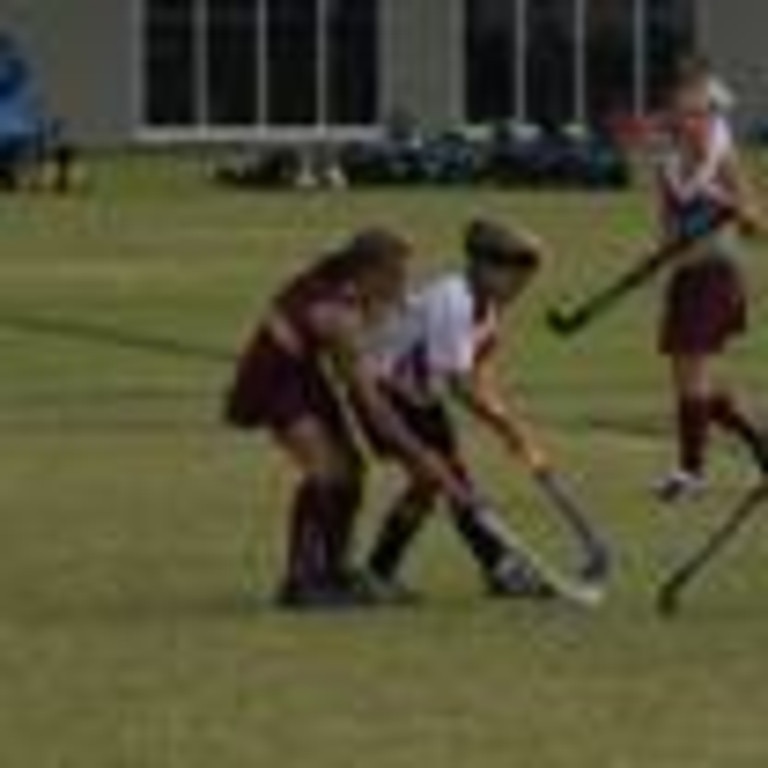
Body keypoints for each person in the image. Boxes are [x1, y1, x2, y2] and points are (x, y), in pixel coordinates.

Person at [224, 228, 472, 608]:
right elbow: (370, 403)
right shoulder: (337, 316)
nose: (403, 288)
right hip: (273, 382)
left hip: (305, 374)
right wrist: (421, 457)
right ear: (370, 273)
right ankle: (300, 581)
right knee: (327, 470)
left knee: (353, 469)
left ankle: (336, 570)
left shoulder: (347, 287)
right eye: (396, 277)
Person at [358, 219, 584, 597]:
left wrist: (512, 429)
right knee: (450, 482)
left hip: (420, 400)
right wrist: (504, 428)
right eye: (513, 278)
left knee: (432, 485)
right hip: (388, 394)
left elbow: (479, 373)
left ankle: (379, 572)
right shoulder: (454, 300)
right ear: (483, 266)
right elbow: (458, 385)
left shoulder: (487, 308)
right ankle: (499, 568)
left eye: (524, 282)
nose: (518, 289)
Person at [652, 71, 767, 501]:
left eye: (697, 114)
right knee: (688, 379)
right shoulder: (667, 166)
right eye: (680, 114)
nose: (687, 122)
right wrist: (664, 250)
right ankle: (760, 442)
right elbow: (665, 228)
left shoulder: (725, 161)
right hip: (685, 276)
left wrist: (729, 204)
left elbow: (758, 227)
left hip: (718, 275)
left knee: (693, 375)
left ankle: (691, 474)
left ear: (713, 117)